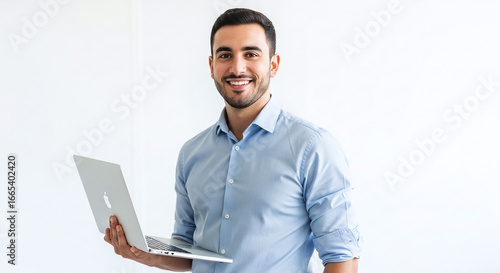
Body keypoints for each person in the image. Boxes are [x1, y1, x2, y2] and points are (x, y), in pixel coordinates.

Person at [104, 8, 362, 273]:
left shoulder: (313, 147)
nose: (237, 68)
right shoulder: (191, 154)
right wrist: (148, 255)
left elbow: (342, 258)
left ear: (273, 65)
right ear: (212, 66)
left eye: (251, 54)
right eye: (225, 55)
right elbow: (188, 247)